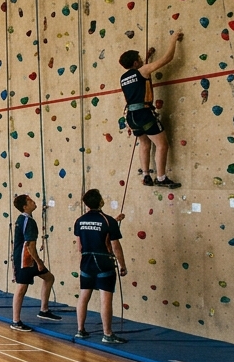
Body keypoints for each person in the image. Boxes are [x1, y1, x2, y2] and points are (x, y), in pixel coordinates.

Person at [119, 31, 184, 188]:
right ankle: (161, 178)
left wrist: (148, 56)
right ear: (135, 63)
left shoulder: (124, 78)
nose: (142, 60)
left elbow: (138, 78)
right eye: (140, 58)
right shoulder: (143, 70)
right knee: (162, 145)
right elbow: (167, 58)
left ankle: (146, 175)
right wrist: (173, 40)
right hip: (144, 114)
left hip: (131, 116)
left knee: (144, 144)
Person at [74, 189, 128, 344]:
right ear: (101, 201)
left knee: (84, 296)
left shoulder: (79, 221)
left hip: (86, 263)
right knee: (105, 299)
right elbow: (115, 246)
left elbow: (80, 246)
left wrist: (115, 221)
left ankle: (80, 330)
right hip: (104, 262)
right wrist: (122, 265)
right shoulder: (108, 221)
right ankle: (107, 334)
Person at [8, 194, 62, 332]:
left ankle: (44, 310)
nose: (33, 201)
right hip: (24, 260)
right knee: (22, 288)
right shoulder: (28, 221)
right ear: (25, 207)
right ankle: (16, 321)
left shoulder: (24, 219)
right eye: (30, 201)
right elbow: (30, 245)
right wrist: (39, 262)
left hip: (29, 258)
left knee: (49, 278)